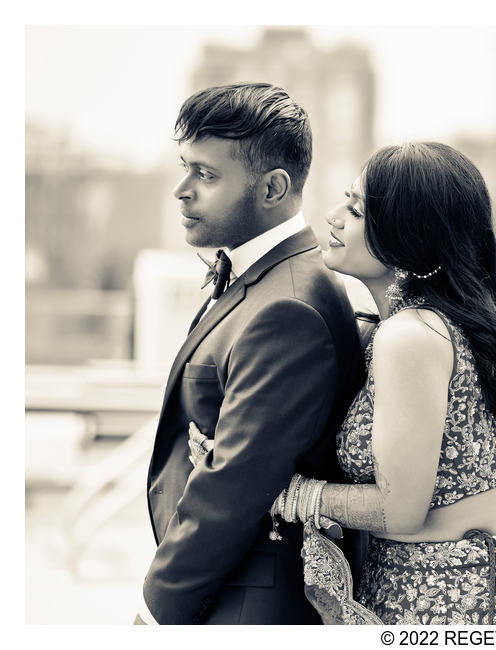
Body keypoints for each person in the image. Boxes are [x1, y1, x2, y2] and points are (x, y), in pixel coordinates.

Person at [190, 141, 496, 624]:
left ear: (408, 236)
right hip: (450, 592)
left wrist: (279, 492)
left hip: (454, 606)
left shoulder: (411, 337)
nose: (335, 216)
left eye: (357, 210)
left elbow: (401, 509)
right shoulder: (420, 327)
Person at [138, 82, 365, 624]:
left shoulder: (289, 307)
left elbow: (229, 491)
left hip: (248, 605)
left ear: (273, 189)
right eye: (185, 166)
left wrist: (152, 614)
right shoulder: (262, 278)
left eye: (206, 174)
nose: (182, 189)